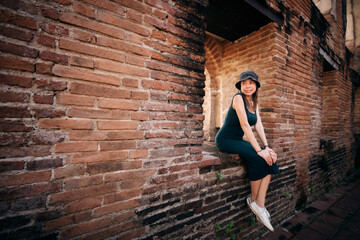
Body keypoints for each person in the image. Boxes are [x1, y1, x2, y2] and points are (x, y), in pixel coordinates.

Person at [215, 70, 279, 231]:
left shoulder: (254, 102)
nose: (247, 86)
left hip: (238, 140)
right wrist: (259, 151)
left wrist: (266, 147)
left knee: (270, 159)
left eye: (251, 83)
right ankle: (253, 200)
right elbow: (245, 125)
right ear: (240, 86)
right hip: (225, 140)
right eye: (244, 83)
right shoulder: (238, 98)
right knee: (259, 158)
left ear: (256, 85)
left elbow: (258, 125)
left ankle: (259, 205)